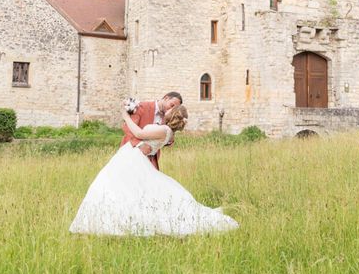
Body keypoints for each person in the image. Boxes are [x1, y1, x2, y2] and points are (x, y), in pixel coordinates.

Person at [69, 101, 239, 236]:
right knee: (118, 189)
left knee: (111, 186)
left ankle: (110, 223)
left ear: (174, 114)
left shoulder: (165, 130)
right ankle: (108, 222)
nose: (169, 109)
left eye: (172, 108)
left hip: (132, 158)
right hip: (131, 157)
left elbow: (140, 134)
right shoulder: (167, 131)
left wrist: (125, 117)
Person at [120, 92, 182, 170]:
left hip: (151, 161)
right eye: (171, 105)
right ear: (166, 98)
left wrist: (169, 139)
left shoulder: (167, 117)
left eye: (174, 109)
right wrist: (139, 144)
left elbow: (168, 137)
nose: (171, 109)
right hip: (131, 153)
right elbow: (128, 128)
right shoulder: (142, 106)